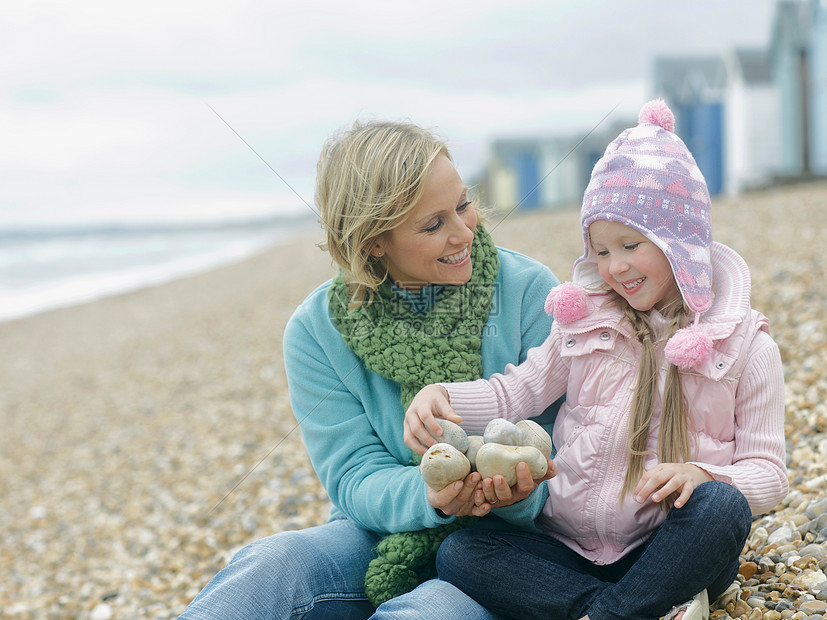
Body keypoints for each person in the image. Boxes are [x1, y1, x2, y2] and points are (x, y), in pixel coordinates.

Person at [404, 100, 788, 620]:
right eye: (601, 251)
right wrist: (444, 397)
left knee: (721, 510)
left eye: (631, 245)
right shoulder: (583, 323)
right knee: (461, 552)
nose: (615, 268)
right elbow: (517, 392)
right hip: (568, 549)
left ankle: (623, 606)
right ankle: (623, 610)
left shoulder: (746, 348)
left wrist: (702, 474)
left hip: (668, 549)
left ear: (683, 244)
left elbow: (769, 474)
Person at [178, 120, 561, 619]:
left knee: (432, 611)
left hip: (509, 546)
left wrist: (514, 492)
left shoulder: (532, 291)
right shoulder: (316, 331)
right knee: (272, 563)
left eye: (463, 204)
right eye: (433, 224)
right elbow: (354, 474)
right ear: (374, 242)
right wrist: (434, 496)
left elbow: (568, 450)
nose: (464, 231)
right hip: (377, 536)